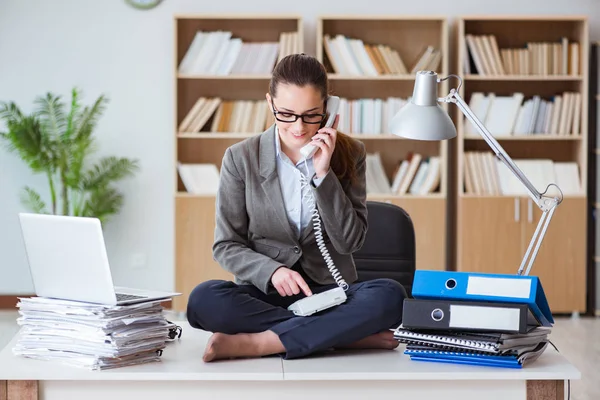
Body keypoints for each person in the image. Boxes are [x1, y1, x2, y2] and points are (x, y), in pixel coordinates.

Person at [186, 53, 406, 362]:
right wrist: (272, 271)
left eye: (311, 115)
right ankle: (342, 338)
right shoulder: (241, 158)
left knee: (390, 296)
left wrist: (323, 174)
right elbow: (226, 245)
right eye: (286, 114)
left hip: (330, 293)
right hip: (265, 296)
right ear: (270, 103)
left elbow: (349, 242)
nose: (299, 127)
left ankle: (263, 342)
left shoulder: (351, 153)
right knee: (203, 301)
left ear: (328, 110)